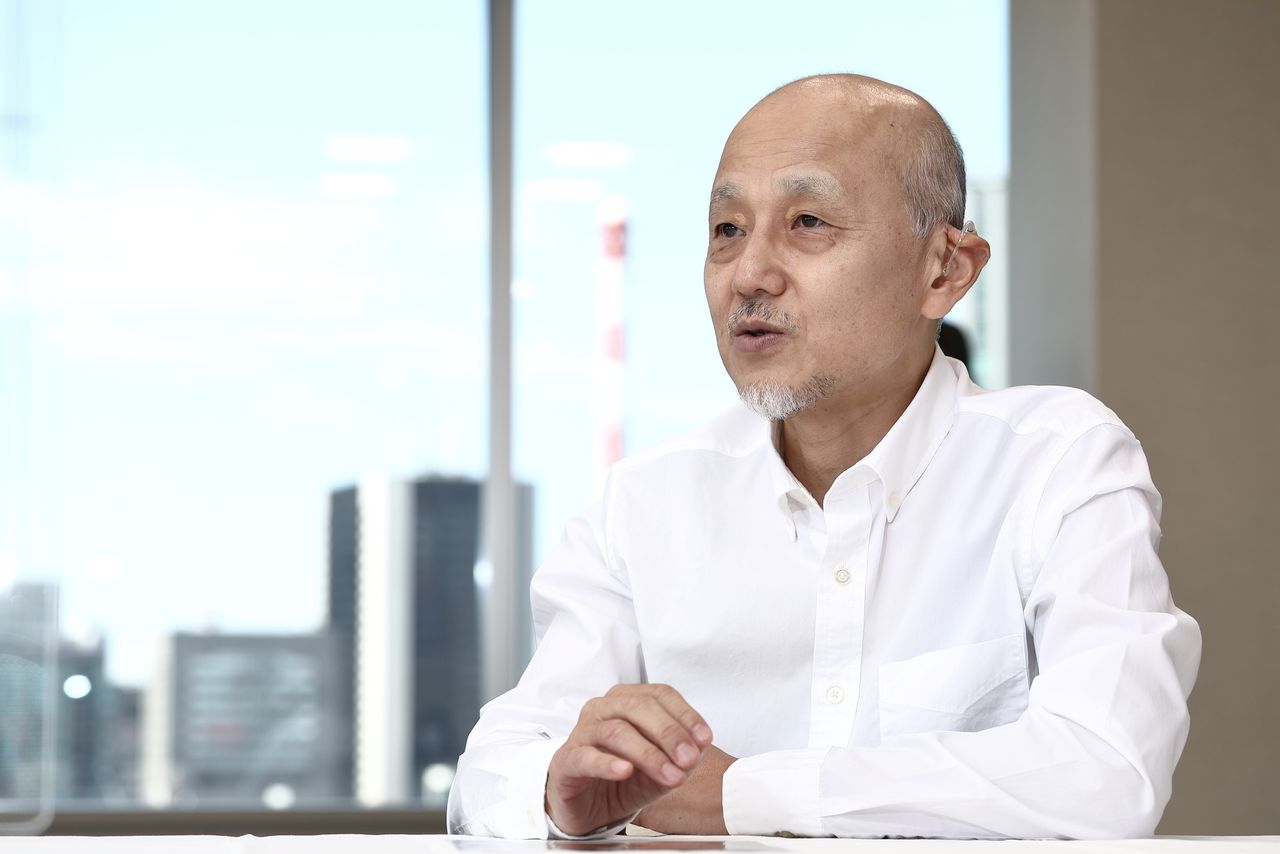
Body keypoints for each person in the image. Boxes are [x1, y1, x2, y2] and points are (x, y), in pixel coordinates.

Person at [446, 74, 1200, 840]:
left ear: (945, 270)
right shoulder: (643, 504)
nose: (749, 274)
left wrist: (739, 795)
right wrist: (558, 792)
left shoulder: (1057, 463)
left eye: (807, 222)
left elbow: (1109, 771)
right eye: (727, 229)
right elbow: (492, 772)